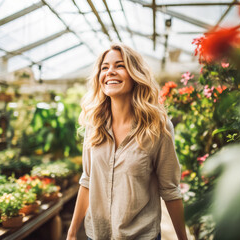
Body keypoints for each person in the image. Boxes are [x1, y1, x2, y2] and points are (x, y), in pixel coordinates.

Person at [66, 43, 188, 240]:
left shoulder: (157, 128)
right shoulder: (94, 125)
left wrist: (184, 239)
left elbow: (170, 190)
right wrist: (71, 234)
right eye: (104, 67)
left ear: (135, 74)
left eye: (119, 66)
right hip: (96, 235)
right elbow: (87, 180)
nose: (110, 72)